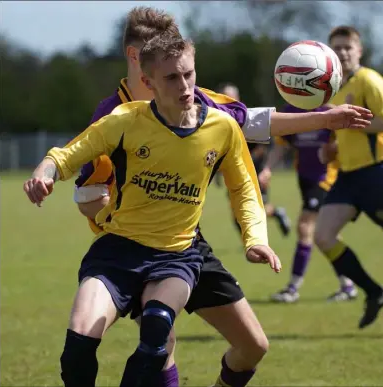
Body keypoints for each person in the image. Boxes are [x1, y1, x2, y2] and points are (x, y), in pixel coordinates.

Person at [73, 8, 373, 386]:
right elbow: (87, 193)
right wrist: (120, 226)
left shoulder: (196, 101)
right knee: (159, 340)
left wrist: (327, 118)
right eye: (162, 58)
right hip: (134, 248)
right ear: (137, 58)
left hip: (189, 247)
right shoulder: (113, 115)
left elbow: (256, 122)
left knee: (253, 346)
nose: (179, 73)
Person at [23, 35, 282, 387]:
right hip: (118, 251)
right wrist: (44, 172)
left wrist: (256, 238)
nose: (186, 85)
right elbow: (69, 154)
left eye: (189, 74)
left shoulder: (221, 128)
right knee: (78, 348)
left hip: (176, 256)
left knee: (158, 329)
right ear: (148, 82)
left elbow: (244, 188)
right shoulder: (126, 120)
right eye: (172, 78)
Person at [314, 26, 383, 329]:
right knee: (323, 237)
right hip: (347, 177)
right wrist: (331, 149)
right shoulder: (333, 87)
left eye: (348, 47)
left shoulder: (369, 80)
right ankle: (374, 292)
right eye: (337, 48)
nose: (343, 52)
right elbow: (345, 132)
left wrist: (348, 122)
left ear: (359, 50)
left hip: (378, 174)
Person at [259, 103, 357, 303]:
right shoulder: (290, 111)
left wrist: (334, 148)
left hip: (325, 180)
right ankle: (348, 285)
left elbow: (347, 141)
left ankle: (293, 287)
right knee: (329, 235)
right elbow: (281, 145)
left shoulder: (330, 109)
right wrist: (268, 168)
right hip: (304, 179)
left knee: (305, 227)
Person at [216, 82, 291, 237]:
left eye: (231, 96)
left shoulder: (247, 119)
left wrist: (260, 167)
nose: (227, 100)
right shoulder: (218, 122)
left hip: (254, 171)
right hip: (233, 173)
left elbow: (264, 146)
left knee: (256, 207)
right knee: (238, 211)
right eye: (224, 96)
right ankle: (251, 239)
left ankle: (273, 218)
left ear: (237, 98)